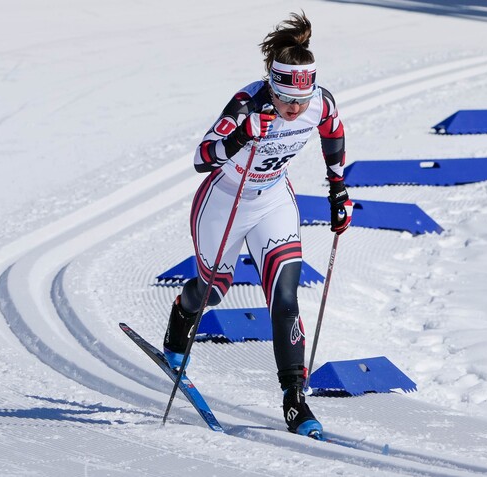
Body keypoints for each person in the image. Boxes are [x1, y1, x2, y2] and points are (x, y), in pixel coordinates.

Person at [162, 11, 352, 437]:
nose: (295, 109)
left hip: (273, 201)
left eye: (302, 102)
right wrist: (241, 136)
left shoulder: (319, 102)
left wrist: (338, 190)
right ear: (272, 87)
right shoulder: (248, 103)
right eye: (288, 102)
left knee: (285, 299)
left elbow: (333, 133)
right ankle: (180, 319)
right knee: (212, 291)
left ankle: (294, 400)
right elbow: (201, 158)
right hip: (224, 200)